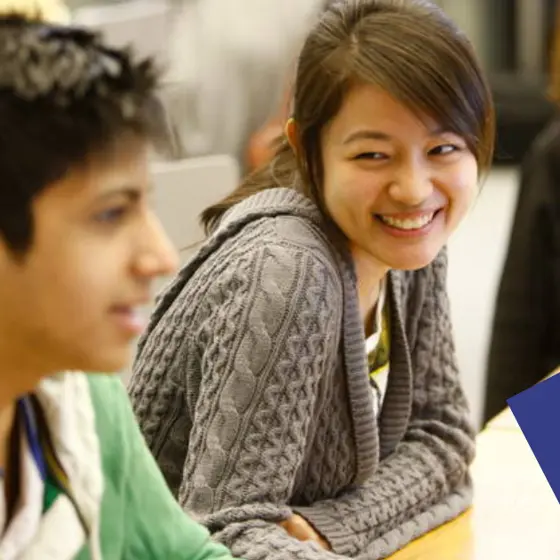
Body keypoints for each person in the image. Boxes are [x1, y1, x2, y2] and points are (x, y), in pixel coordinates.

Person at [129, 0, 495, 558]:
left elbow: (443, 440)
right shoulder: (288, 271)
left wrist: (334, 525)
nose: (414, 190)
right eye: (374, 155)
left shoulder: (409, 246)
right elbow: (225, 535)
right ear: (306, 146)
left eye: (442, 149)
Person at [0, 14, 241, 559]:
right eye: (110, 214)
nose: (159, 256)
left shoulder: (78, 390)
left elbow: (185, 555)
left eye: (146, 206)